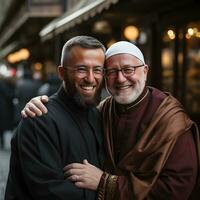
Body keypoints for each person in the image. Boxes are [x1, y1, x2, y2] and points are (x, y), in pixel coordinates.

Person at [21, 41, 200, 200]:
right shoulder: (102, 110)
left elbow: (177, 188)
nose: (121, 79)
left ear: (145, 71)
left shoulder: (170, 118)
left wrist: (105, 183)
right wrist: (42, 105)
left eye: (128, 69)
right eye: (112, 71)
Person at [5, 36, 106, 200]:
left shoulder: (99, 115)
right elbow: (49, 193)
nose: (90, 78)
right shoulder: (38, 119)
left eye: (97, 70)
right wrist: (104, 189)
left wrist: (104, 182)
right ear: (61, 72)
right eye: (81, 69)